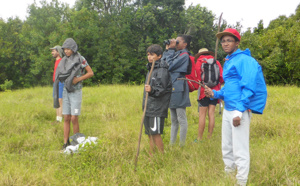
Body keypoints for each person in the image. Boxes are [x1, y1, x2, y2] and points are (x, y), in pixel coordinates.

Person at [204, 28, 267, 186]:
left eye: (229, 40)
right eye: (223, 41)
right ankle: (229, 174)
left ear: (237, 43)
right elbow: (230, 87)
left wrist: (239, 111)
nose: (225, 43)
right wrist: (215, 94)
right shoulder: (229, 60)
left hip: (239, 110)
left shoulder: (245, 60)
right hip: (227, 109)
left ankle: (241, 181)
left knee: (240, 148)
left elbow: (249, 87)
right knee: (226, 145)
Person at [53, 38, 94, 150]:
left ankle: (77, 143)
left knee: (74, 118)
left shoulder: (81, 59)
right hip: (66, 91)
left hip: (76, 91)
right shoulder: (64, 60)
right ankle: (66, 143)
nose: (66, 51)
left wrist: (78, 79)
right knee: (66, 117)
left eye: (68, 49)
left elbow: (90, 73)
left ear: (73, 48)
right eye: (64, 49)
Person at [163, 35, 192, 146]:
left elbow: (169, 66)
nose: (176, 42)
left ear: (185, 44)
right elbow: (163, 63)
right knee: (173, 119)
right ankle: (172, 144)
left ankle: (182, 145)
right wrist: (167, 50)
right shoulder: (175, 54)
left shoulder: (184, 55)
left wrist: (171, 50)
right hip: (172, 87)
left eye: (178, 41)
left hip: (179, 88)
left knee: (181, 118)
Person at [143, 44, 172, 155]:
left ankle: (161, 157)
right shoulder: (151, 68)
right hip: (149, 106)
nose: (149, 57)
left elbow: (162, 89)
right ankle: (152, 155)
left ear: (159, 56)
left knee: (156, 133)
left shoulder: (162, 70)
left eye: (152, 55)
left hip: (157, 108)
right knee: (150, 133)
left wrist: (152, 90)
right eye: (148, 55)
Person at [194, 48, 224, 141]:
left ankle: (199, 138)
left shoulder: (199, 62)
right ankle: (209, 136)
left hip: (204, 91)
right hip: (215, 92)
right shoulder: (216, 62)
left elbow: (197, 78)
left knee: (202, 115)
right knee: (211, 114)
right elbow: (222, 77)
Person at [50, 45, 64, 123]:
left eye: (53, 51)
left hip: (60, 83)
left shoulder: (61, 61)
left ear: (58, 52)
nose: (52, 53)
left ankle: (60, 119)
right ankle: (57, 119)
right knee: (56, 100)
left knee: (60, 101)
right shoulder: (56, 61)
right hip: (55, 83)